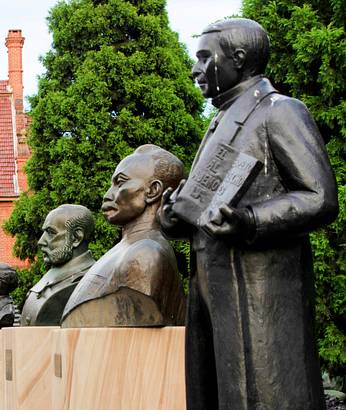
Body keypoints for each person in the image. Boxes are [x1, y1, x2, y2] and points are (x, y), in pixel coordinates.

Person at [160, 18, 337, 409]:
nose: (194, 69)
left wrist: (252, 220)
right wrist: (174, 214)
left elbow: (320, 196)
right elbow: (203, 200)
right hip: (212, 291)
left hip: (260, 292)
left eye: (205, 58)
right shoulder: (221, 120)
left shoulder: (280, 112)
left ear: (238, 59)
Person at [62, 145, 186, 327]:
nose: (107, 195)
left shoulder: (146, 254)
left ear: (153, 191)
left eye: (120, 183)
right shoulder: (124, 250)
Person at [20, 204, 96, 326]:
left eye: (51, 233)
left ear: (76, 237)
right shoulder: (50, 276)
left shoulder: (90, 281)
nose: (41, 241)